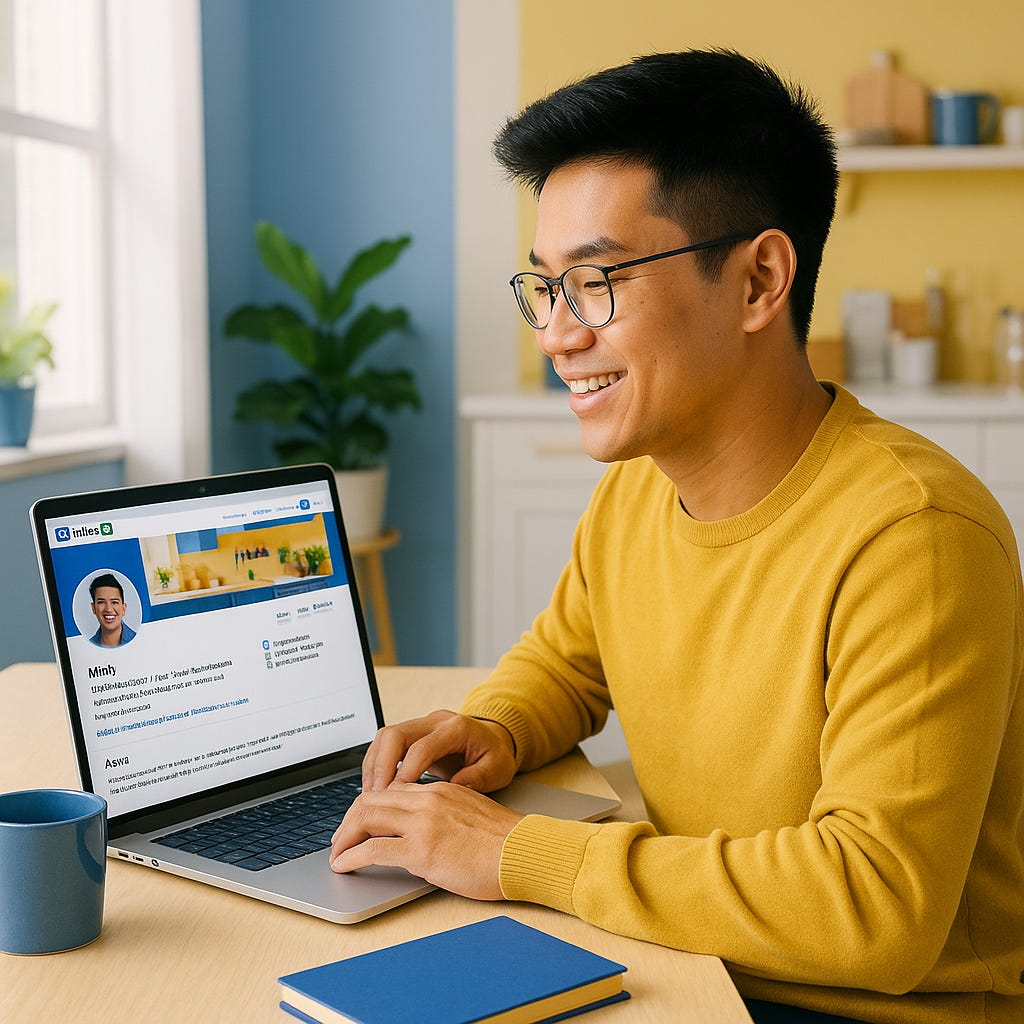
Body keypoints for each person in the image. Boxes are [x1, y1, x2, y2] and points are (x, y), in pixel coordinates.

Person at [329, 50, 1024, 1024]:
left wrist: (509, 852)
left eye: (596, 281)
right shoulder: (640, 493)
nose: (557, 334)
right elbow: (569, 663)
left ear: (757, 282)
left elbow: (876, 906)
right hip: (688, 965)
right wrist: (489, 727)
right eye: (544, 287)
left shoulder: (916, 538)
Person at [88, 573, 136, 648]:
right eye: (101, 602)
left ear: (124, 608)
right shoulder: (88, 645)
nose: (109, 609)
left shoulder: (139, 640)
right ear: (93, 608)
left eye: (114, 602)